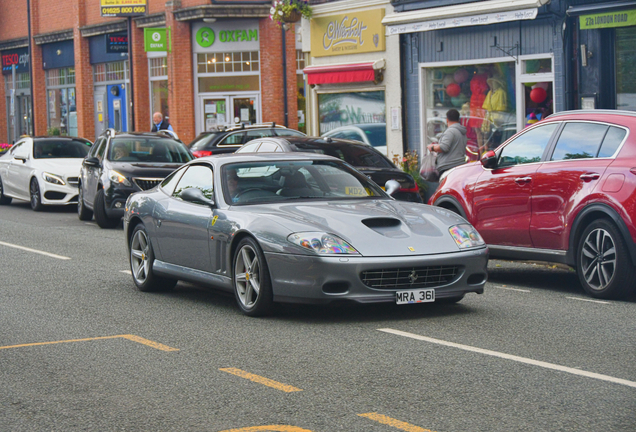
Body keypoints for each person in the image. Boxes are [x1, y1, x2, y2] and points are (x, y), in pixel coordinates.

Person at [426, 108, 467, 177]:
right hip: (459, 166)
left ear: (447, 120)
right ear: (458, 119)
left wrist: (432, 147)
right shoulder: (462, 132)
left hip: (448, 167)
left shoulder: (450, 131)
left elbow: (444, 147)